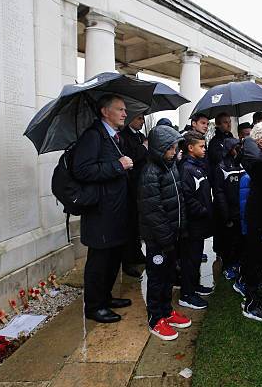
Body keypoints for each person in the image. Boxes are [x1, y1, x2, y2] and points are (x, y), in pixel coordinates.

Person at [72, 94, 134, 324]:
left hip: (116, 210)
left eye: (124, 109)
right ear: (105, 112)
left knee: (113, 257)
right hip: (100, 212)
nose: (125, 114)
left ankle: (106, 297)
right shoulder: (92, 136)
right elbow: (82, 170)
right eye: (120, 109)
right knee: (99, 261)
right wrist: (117, 166)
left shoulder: (116, 138)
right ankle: (94, 306)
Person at [137, 125, 191, 340]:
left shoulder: (171, 167)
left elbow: (179, 201)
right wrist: (166, 236)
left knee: (169, 275)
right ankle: (155, 318)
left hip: (172, 236)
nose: (174, 151)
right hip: (158, 239)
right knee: (157, 277)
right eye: (170, 148)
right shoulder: (151, 173)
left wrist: (181, 228)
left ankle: (167, 311)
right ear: (160, 148)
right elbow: (153, 210)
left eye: (175, 147)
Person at [236, 122, 262, 321]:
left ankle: (254, 297)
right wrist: (251, 139)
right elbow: (258, 160)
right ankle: (251, 303)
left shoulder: (261, 157)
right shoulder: (257, 161)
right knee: (253, 259)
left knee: (257, 258)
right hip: (257, 217)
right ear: (261, 142)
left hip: (261, 215)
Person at [178, 131, 214, 309]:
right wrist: (203, 210)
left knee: (196, 256)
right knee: (189, 259)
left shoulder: (198, 165)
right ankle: (186, 294)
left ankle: (194, 285)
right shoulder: (186, 168)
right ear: (190, 148)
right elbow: (187, 197)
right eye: (201, 146)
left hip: (200, 223)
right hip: (193, 224)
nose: (204, 148)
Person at [119, 112, 148, 278]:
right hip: (129, 186)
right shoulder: (123, 136)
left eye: (143, 118)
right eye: (139, 118)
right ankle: (127, 261)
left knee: (138, 223)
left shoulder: (141, 136)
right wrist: (143, 147)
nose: (142, 121)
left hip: (141, 185)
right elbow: (130, 159)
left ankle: (137, 253)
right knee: (129, 224)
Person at [213, 137, 244, 280]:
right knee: (229, 242)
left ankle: (238, 264)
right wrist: (226, 215)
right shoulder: (221, 167)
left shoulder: (242, 164)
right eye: (234, 147)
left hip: (241, 211)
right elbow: (219, 193)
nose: (237, 150)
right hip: (229, 213)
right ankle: (227, 266)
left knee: (239, 241)